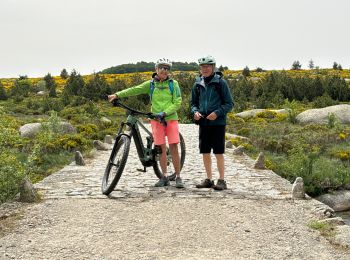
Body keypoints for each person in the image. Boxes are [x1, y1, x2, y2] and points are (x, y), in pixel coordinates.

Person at [108, 58, 184, 188]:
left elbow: (177, 102)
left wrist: (165, 113)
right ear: (156, 69)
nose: (164, 71)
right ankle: (164, 176)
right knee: (160, 149)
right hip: (156, 120)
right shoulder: (151, 84)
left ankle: (178, 176)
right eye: (162, 68)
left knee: (173, 147)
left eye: (167, 68)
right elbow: (134, 89)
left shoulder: (173, 84)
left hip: (170, 119)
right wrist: (117, 94)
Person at [190, 55, 234, 190]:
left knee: (218, 152)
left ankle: (222, 180)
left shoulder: (221, 83)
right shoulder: (197, 84)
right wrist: (195, 112)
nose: (205, 69)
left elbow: (229, 104)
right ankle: (209, 179)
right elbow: (193, 103)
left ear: (213, 67)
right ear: (200, 69)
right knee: (205, 152)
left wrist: (217, 113)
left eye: (208, 66)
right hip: (203, 123)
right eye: (203, 67)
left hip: (218, 123)